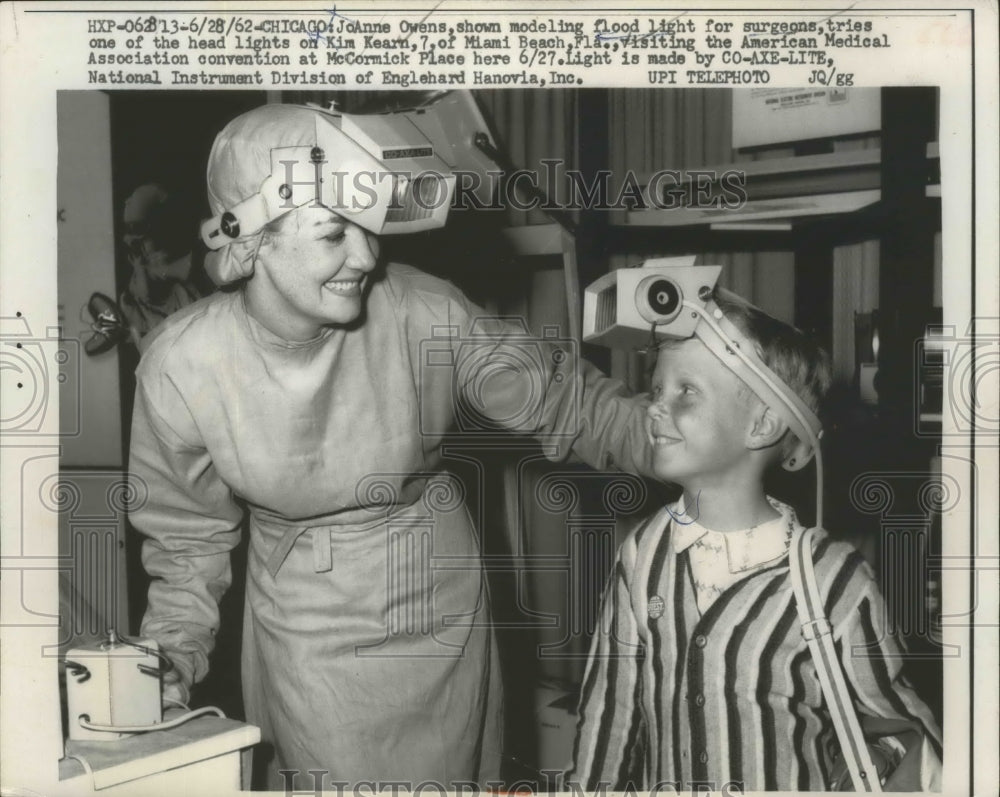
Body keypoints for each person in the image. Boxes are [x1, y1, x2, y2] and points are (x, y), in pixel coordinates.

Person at [127, 103, 653, 790]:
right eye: (333, 234)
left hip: (436, 597)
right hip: (303, 624)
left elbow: (567, 402)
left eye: (367, 229)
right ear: (250, 238)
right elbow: (187, 544)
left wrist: (668, 438)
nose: (367, 256)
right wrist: (166, 660)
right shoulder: (183, 366)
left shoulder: (422, 311)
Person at [565, 291, 942, 791]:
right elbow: (607, 715)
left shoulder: (833, 581)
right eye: (656, 390)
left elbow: (901, 723)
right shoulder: (640, 558)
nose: (655, 408)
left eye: (686, 392)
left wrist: (873, 762)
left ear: (762, 424)